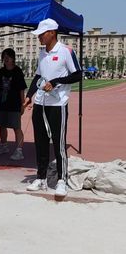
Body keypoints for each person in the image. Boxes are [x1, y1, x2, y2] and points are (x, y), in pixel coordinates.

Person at [24, 18, 82, 197]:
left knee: (58, 142)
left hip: (58, 104)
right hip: (40, 104)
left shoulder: (66, 51)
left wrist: (56, 82)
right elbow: (37, 77)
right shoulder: (42, 53)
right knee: (40, 142)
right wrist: (29, 96)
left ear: (52, 33)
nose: (39, 37)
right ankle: (41, 177)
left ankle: (62, 180)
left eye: (41, 34)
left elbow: (78, 75)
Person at [0, 48, 27, 160]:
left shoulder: (18, 71)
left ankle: (19, 151)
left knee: (17, 127)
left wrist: (23, 104)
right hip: (3, 103)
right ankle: (4, 146)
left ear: (13, 58)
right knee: (2, 125)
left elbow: (22, 89)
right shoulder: (1, 71)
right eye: (4, 57)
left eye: (8, 56)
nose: (6, 59)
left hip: (15, 104)